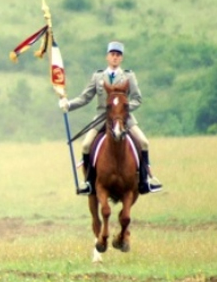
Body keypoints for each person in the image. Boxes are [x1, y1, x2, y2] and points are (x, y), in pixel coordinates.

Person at [58, 41, 162, 195]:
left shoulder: (128, 76)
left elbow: (137, 99)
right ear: (107, 57)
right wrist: (68, 104)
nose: (115, 57)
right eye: (112, 54)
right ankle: (88, 182)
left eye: (118, 55)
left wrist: (123, 109)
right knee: (86, 145)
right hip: (101, 118)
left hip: (124, 118)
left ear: (121, 58)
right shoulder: (98, 76)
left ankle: (145, 180)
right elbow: (85, 98)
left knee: (144, 142)